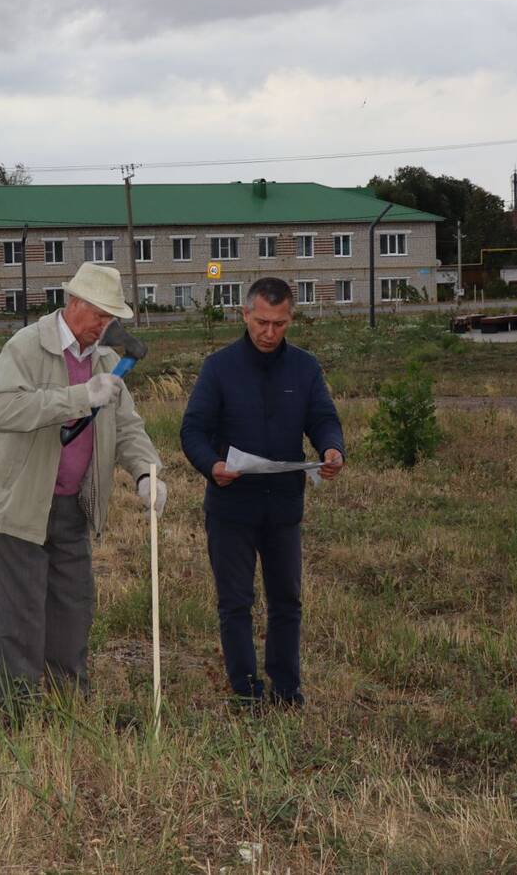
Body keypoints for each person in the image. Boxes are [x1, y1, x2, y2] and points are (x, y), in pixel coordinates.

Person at [0, 263, 167, 706]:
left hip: (71, 506)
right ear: (73, 303)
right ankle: (18, 711)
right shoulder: (24, 347)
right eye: (99, 314)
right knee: (19, 616)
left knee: (72, 610)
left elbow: (128, 425)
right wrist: (81, 397)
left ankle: (67, 705)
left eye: (111, 318)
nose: (104, 326)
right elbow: (5, 410)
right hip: (16, 505)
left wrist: (145, 473)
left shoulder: (106, 359)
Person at [180, 276, 344, 709]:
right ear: (245, 315)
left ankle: (287, 690)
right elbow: (193, 430)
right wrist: (210, 465)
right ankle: (245, 690)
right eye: (262, 323)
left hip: (284, 506)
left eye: (280, 324)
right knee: (236, 602)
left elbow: (324, 417)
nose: (270, 333)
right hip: (231, 507)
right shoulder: (219, 367)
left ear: (291, 319)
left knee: (287, 600)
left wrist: (332, 448)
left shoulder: (305, 368)